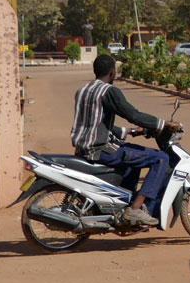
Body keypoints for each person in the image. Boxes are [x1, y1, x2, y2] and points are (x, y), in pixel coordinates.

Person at [70, 54, 181, 227]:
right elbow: (133, 115)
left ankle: (124, 203)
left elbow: (94, 124)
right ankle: (135, 209)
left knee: (134, 158)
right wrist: (164, 124)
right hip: (101, 150)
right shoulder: (108, 91)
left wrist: (129, 132)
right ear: (112, 72)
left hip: (83, 148)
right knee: (161, 158)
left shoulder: (83, 90)